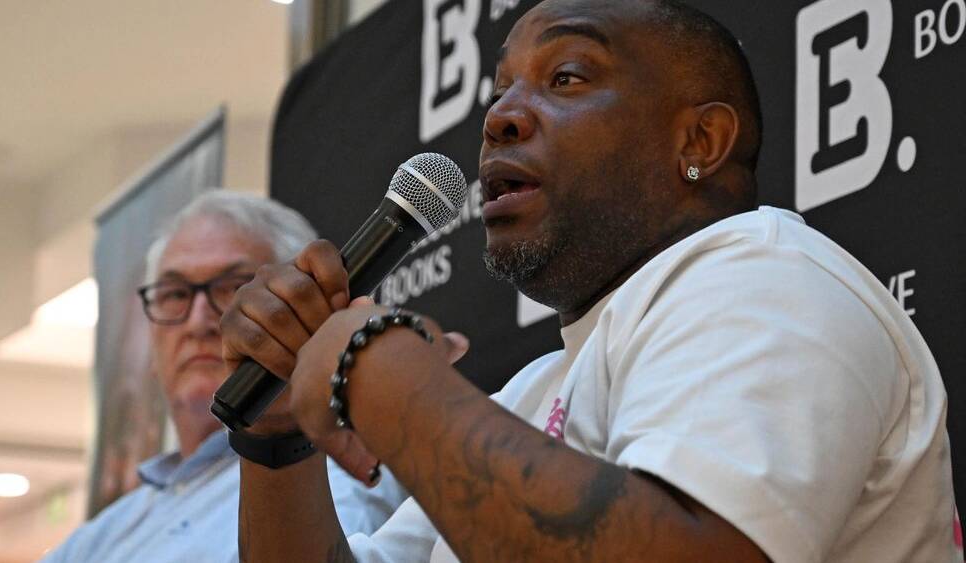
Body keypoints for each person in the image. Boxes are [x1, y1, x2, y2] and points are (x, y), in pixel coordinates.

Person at [219, 1, 959, 561]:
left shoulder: (769, 277)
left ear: (700, 140)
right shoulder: (534, 390)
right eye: (498, 91)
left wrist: (376, 367)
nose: (501, 118)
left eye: (566, 77)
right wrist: (277, 439)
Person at [42, 191, 406, 562]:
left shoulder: (332, 480)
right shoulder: (100, 535)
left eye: (234, 289)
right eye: (175, 294)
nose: (197, 321)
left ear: (306, 308)